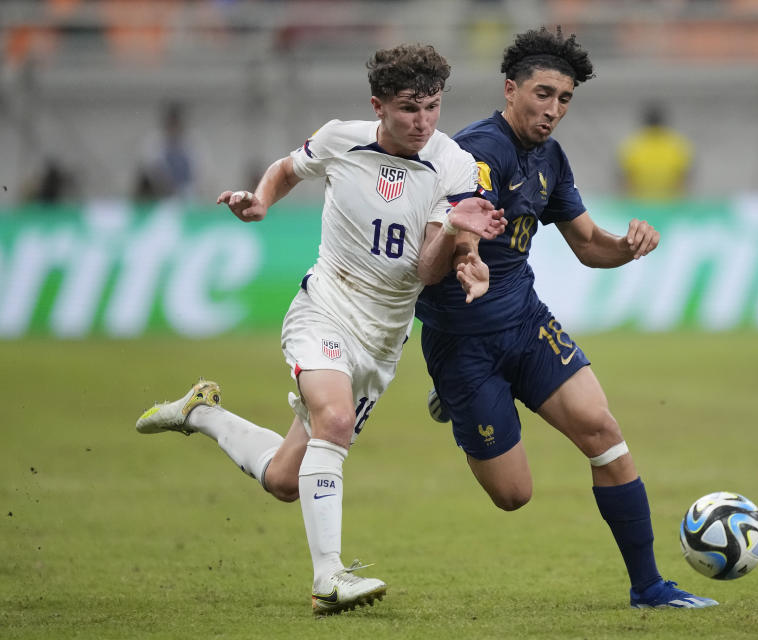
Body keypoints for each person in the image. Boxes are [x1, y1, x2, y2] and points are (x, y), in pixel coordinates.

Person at [134, 43, 506, 616]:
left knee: (286, 479)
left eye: (432, 107)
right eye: (410, 108)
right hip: (326, 308)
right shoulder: (340, 138)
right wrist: (260, 200)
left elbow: (428, 271)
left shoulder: (452, 163)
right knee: (334, 420)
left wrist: (461, 243)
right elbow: (288, 168)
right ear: (378, 106)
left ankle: (199, 413)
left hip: (383, 340)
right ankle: (329, 577)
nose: (423, 121)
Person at [416, 27, 718, 610]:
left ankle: (649, 587)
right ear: (510, 89)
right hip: (463, 341)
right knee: (513, 495)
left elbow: (587, 246)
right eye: (543, 94)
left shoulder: (549, 157)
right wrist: (471, 261)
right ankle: (456, 396)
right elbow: (457, 232)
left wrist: (628, 246)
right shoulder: (479, 151)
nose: (553, 110)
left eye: (565, 99)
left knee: (602, 432)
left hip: (526, 323)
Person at [617, 100, 693, 201]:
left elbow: (625, 180)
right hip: (670, 204)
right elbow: (684, 179)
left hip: (639, 204)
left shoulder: (631, 146)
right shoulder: (678, 145)